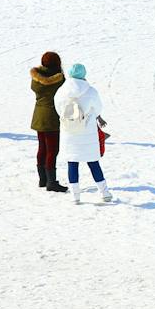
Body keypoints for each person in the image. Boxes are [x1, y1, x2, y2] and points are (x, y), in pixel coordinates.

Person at [55, 63, 112, 203]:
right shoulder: (91, 91)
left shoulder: (61, 91)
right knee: (93, 162)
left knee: (72, 163)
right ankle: (104, 192)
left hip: (69, 131)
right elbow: (98, 109)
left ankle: (75, 196)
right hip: (87, 132)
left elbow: (58, 109)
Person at [31, 52, 67, 192]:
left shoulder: (36, 78)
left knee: (42, 148)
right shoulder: (59, 79)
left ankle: (43, 179)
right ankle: (51, 182)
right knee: (52, 150)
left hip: (39, 115)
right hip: (52, 116)